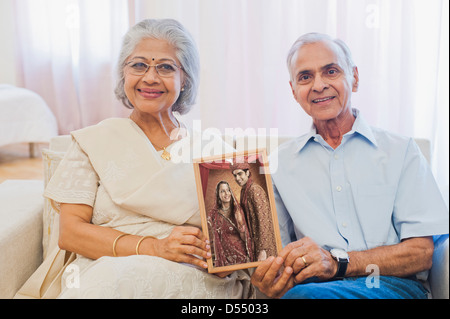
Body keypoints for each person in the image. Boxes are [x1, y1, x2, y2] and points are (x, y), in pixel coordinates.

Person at [15, 19, 253, 299]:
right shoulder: (93, 142)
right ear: (123, 74)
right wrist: (155, 247)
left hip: (193, 279)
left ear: (185, 78)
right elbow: (71, 234)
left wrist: (222, 258)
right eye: (138, 65)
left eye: (165, 67)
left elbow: (239, 249)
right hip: (106, 272)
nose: (150, 78)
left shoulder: (215, 150)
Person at [251, 32, 449, 299]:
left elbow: (421, 254)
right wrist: (272, 279)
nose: (318, 85)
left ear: (354, 78)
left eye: (331, 71)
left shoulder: (401, 151)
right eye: (305, 77)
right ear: (294, 91)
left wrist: (337, 263)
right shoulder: (276, 166)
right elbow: (279, 258)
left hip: (391, 285)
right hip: (314, 289)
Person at [231, 162, 277, 262]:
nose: (237, 178)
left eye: (239, 174)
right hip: (254, 242)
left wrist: (262, 250)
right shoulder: (244, 190)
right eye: (235, 175)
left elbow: (264, 220)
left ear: (247, 173)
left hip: (264, 245)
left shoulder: (255, 190)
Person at [207, 181, 253, 267]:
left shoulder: (237, 211)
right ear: (218, 195)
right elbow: (213, 236)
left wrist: (241, 227)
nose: (226, 193)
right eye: (222, 191)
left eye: (228, 190)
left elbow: (244, 238)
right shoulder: (214, 214)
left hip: (240, 254)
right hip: (224, 257)